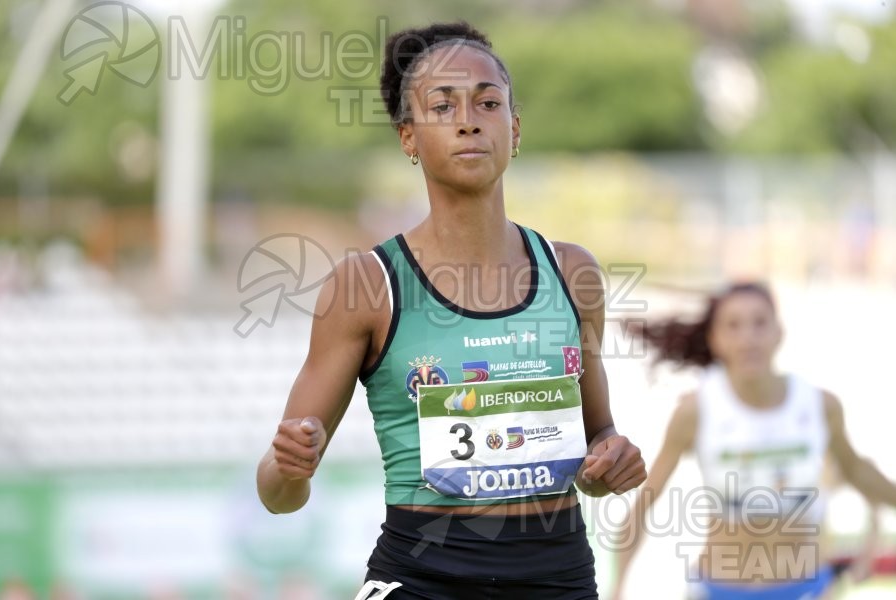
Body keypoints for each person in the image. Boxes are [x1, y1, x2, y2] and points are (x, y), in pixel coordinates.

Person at [255, 21, 647, 599]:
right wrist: (289, 465)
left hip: (558, 578)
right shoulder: (366, 285)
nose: (469, 119)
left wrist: (611, 461)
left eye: (488, 102)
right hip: (423, 579)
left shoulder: (574, 274)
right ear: (408, 137)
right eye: (443, 105)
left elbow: (596, 444)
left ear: (513, 130)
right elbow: (277, 494)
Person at [612, 282, 896, 600]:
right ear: (715, 340)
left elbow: (858, 472)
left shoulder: (819, 405)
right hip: (718, 589)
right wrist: (618, 586)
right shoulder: (696, 411)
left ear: (779, 332)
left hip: (808, 588)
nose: (748, 338)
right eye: (733, 326)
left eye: (760, 323)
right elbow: (644, 505)